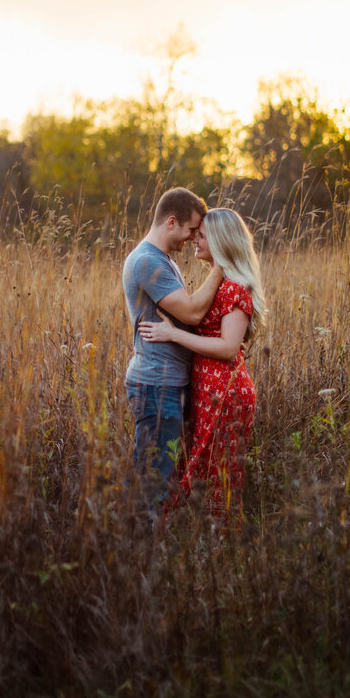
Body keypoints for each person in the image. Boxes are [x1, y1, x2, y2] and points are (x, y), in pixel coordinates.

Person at [138, 207, 265, 524]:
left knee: (215, 472)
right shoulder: (220, 285)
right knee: (202, 465)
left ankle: (218, 546)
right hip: (209, 391)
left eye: (202, 235)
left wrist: (173, 334)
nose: (194, 239)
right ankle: (197, 539)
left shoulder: (235, 288)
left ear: (221, 243)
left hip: (226, 394)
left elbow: (227, 347)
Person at [122, 187, 223, 514]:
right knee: (154, 476)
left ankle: (143, 539)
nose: (194, 238)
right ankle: (141, 549)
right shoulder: (148, 263)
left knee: (160, 470)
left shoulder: (161, 260)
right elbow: (192, 312)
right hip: (156, 385)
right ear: (171, 222)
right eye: (192, 229)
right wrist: (222, 266)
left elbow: (188, 317)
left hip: (166, 383)